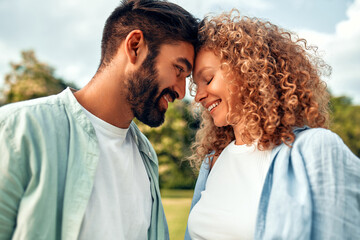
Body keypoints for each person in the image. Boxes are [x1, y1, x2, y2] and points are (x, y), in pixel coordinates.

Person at [0, 0, 198, 239]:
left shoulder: (146, 157)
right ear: (135, 46)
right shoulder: (17, 129)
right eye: (178, 69)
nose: (181, 91)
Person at [185, 10, 360, 240]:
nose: (198, 96)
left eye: (207, 79)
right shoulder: (213, 161)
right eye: (196, 86)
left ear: (249, 71)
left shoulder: (317, 149)